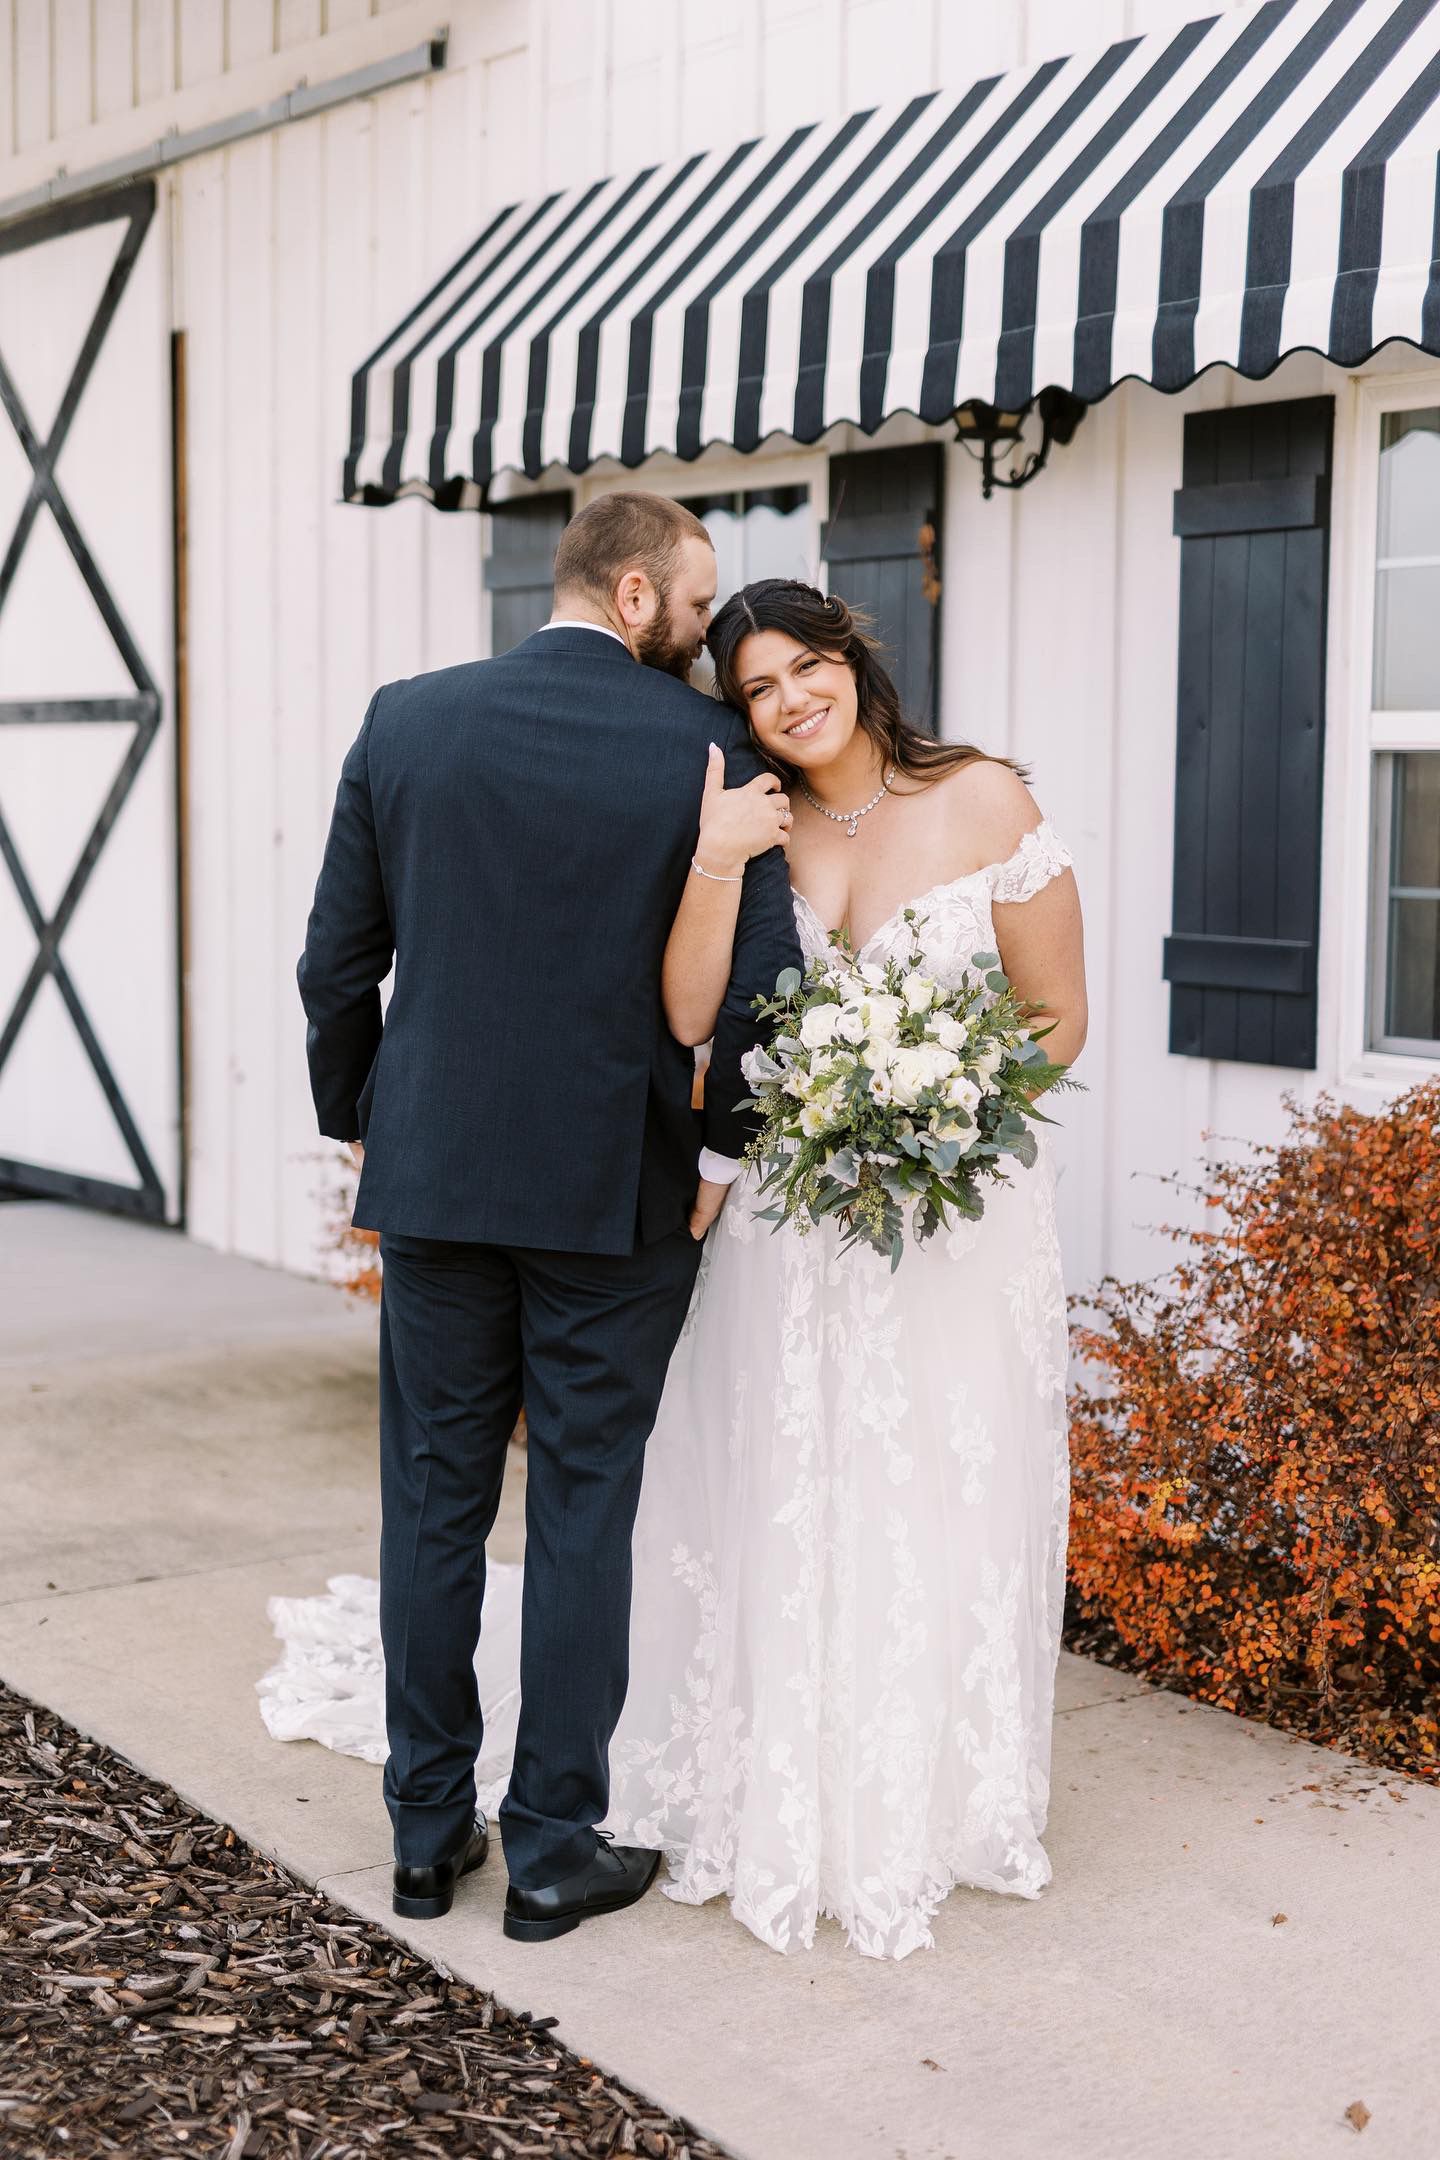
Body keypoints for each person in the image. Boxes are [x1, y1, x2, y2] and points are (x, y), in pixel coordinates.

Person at [295, 496, 801, 1943]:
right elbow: (761, 994)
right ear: (637, 594)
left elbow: (337, 967)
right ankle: (554, 1851)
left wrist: (364, 1127)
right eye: (698, 608)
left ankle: (418, 1831)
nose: (710, 634)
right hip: (617, 1194)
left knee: (434, 1503)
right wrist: (719, 1160)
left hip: (439, 1182)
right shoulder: (708, 750)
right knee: (585, 1506)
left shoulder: (407, 722)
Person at [600, 578, 1088, 1958]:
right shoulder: (758, 826)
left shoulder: (986, 799)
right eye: (757, 688)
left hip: (952, 1217)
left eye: (805, 667)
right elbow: (695, 1016)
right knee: (782, 1478)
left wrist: (941, 1116)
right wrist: (711, 854)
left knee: (932, 1481)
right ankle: (770, 1781)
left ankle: (920, 1800)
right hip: (792, 1215)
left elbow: (1058, 1018)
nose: (790, 700)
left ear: (852, 661)